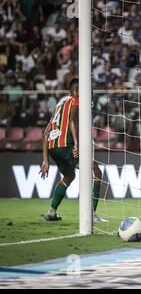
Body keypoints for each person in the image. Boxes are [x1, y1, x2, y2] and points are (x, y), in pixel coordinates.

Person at [39, 78, 106, 222]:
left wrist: (45, 160)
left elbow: (45, 134)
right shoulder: (76, 100)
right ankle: (92, 214)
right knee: (96, 172)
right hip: (66, 145)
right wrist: (76, 144)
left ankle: (51, 212)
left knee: (69, 176)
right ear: (76, 90)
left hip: (52, 147)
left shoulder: (59, 104)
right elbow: (72, 120)